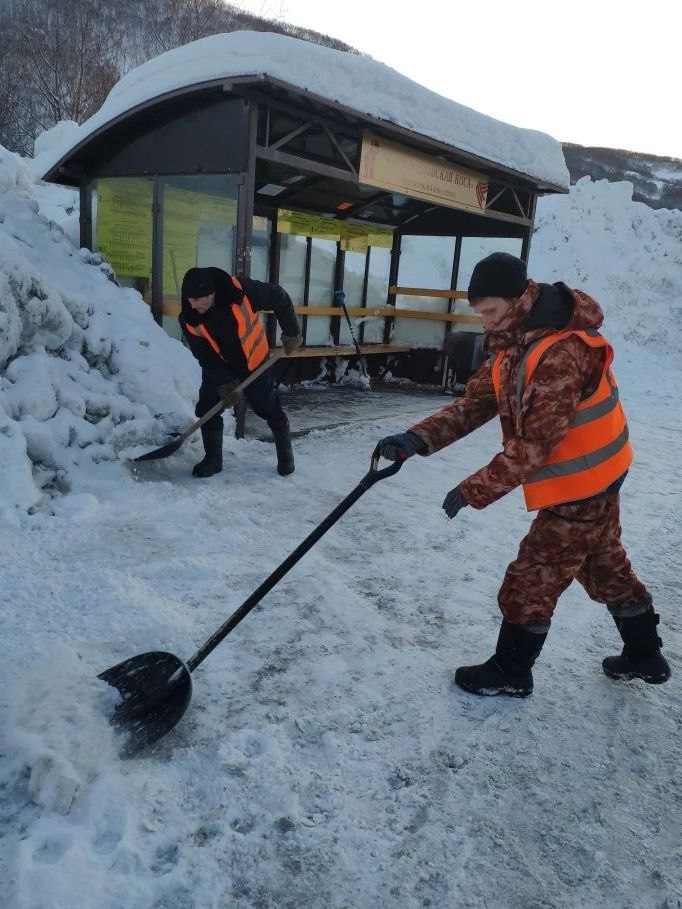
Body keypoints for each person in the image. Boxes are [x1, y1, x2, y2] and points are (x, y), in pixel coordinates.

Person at [376, 252, 670, 697]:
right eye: (480, 313)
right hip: (596, 475)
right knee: (604, 565)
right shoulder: (515, 339)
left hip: (583, 484)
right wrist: (416, 439)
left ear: (519, 299)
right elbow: (475, 403)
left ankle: (511, 672)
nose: (486, 322)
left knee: (531, 579)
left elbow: (534, 444)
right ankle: (645, 654)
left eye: (491, 311)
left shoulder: (560, 353)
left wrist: (473, 490)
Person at [179, 266, 302, 478]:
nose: (192, 305)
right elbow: (205, 355)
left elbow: (279, 297)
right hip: (221, 365)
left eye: (197, 300)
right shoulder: (189, 317)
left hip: (254, 361)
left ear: (211, 294)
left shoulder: (242, 291)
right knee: (208, 408)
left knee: (266, 406)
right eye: (189, 299)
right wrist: (223, 382)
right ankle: (213, 459)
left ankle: (285, 454)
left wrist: (291, 332)